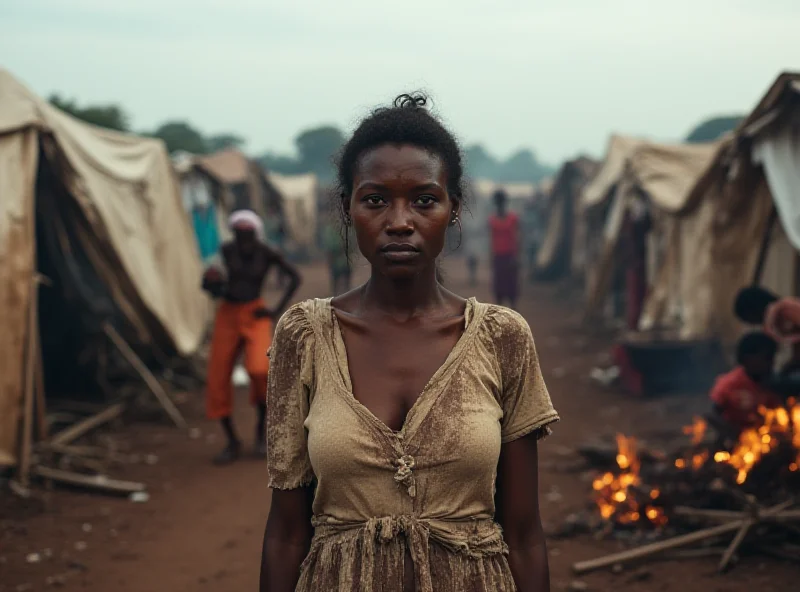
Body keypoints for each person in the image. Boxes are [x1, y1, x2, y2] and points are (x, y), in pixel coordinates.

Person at [261, 94, 558, 592]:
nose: (400, 221)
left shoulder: (501, 337)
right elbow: (288, 533)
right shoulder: (305, 336)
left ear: (454, 209)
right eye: (376, 200)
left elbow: (525, 535)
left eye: (424, 200)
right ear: (348, 208)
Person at [202, 210, 301, 465]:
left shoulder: (267, 253)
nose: (243, 239)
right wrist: (213, 285)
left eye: (247, 234)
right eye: (238, 234)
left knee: (260, 370)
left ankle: (259, 432)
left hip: (255, 314)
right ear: (233, 234)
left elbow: (294, 277)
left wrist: (275, 309)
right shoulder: (225, 251)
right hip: (228, 314)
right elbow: (212, 283)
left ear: (254, 234)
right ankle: (232, 441)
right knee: (218, 376)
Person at [709, 331, 782, 433]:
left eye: (772, 358)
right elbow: (713, 415)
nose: (771, 363)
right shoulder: (729, 384)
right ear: (747, 358)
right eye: (767, 358)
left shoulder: (774, 383)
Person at [488, 189, 521, 308]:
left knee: (511, 286)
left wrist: (517, 256)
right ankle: (501, 311)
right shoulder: (491, 220)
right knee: (499, 287)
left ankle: (513, 310)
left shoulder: (513, 218)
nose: (500, 204)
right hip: (498, 257)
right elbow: (491, 240)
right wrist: (491, 256)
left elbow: (518, 238)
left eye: (501, 202)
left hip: (510, 256)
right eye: (498, 202)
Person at [321, 219, 351, 296]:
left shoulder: (346, 229)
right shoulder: (330, 229)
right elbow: (329, 246)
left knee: (344, 280)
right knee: (337, 279)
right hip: (338, 259)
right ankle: (338, 295)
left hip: (344, 259)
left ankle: (343, 294)